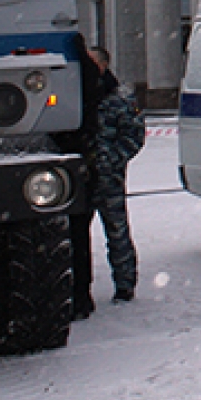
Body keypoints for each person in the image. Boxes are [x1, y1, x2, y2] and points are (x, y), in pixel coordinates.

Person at [64, 44, 145, 316]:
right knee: (76, 235)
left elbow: (134, 136)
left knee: (117, 231)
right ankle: (78, 288)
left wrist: (110, 160)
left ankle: (125, 284)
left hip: (108, 179)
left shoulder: (118, 99)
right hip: (81, 179)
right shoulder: (77, 97)